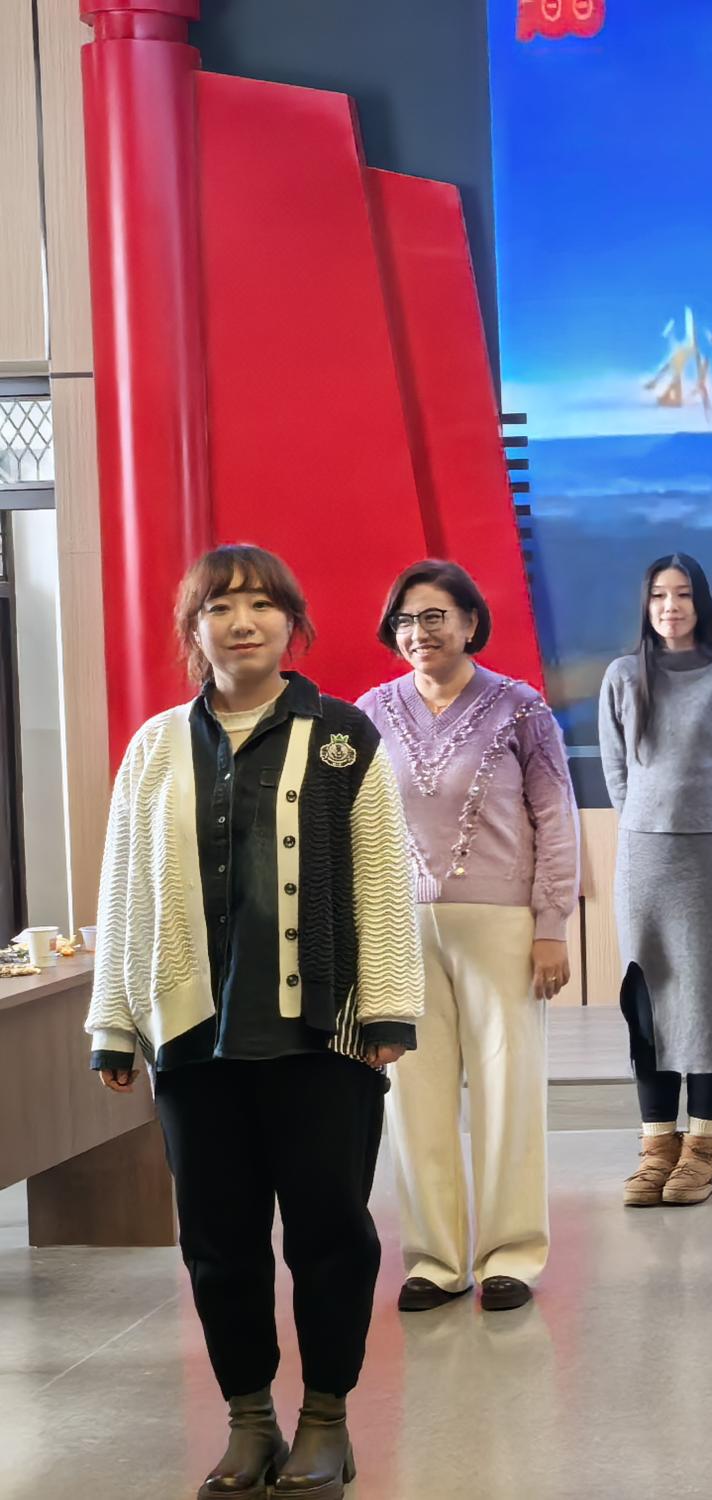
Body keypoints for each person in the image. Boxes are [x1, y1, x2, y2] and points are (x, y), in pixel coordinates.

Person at [85, 545, 424, 1500]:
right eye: (221, 607)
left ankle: (326, 1422)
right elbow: (124, 888)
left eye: (262, 605)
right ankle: (248, 1420)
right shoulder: (155, 747)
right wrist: (115, 1019)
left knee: (330, 1236)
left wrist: (389, 1007)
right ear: (194, 631)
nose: (242, 622)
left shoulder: (345, 737)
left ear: (292, 624)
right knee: (218, 1244)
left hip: (323, 1040)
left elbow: (383, 880)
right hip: (196, 1042)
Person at [360, 559, 578, 1314]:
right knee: (412, 1097)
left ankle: (510, 1256)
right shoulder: (370, 713)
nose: (419, 632)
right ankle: (434, 1261)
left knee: (506, 1090)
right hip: (399, 929)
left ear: (470, 622)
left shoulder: (521, 710)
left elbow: (556, 820)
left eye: (434, 616)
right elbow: (356, 830)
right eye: (406, 620)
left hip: (503, 928)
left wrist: (552, 926)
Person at [598, 553, 712, 1206]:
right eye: (660, 595)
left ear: (701, 603)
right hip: (643, 860)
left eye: (683, 594)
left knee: (710, 1003)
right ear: (646, 604)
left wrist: (701, 821)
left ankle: (702, 1150)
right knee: (648, 1004)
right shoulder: (621, 675)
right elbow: (617, 774)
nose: (671, 606)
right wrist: (650, 821)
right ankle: (656, 1148)